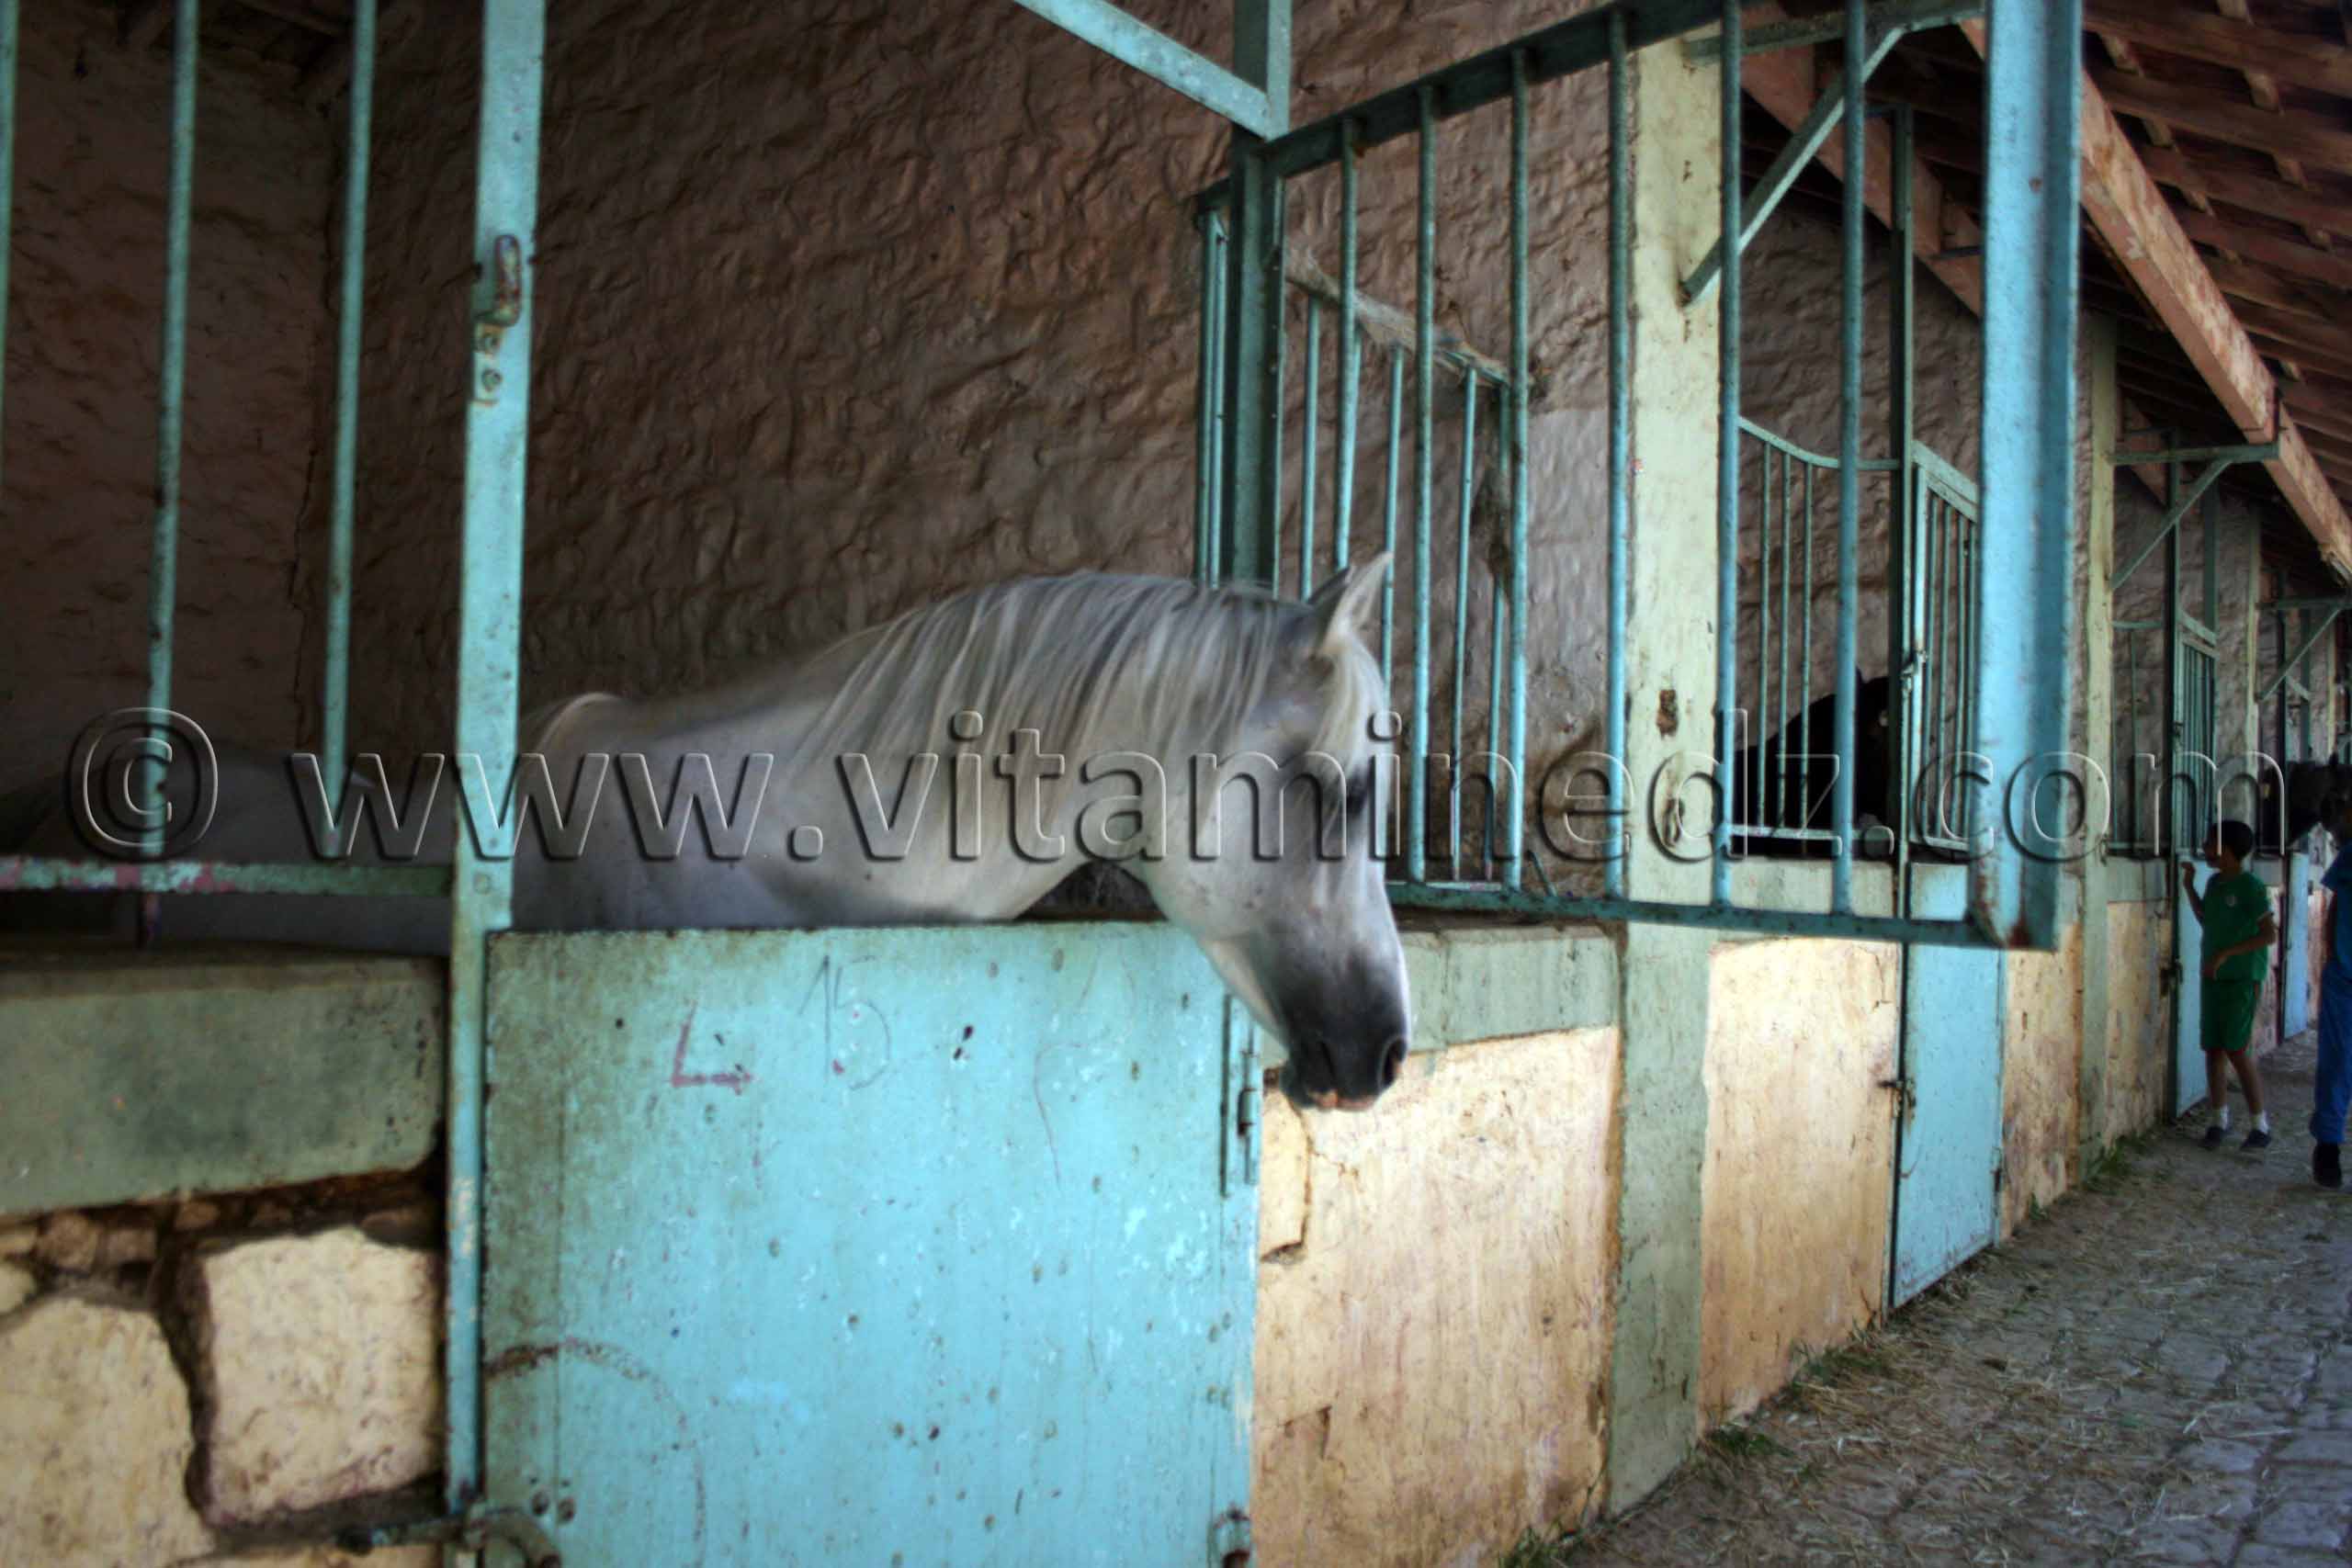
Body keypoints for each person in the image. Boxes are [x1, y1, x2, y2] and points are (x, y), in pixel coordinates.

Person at [2181, 819, 2276, 1151]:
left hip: (2240, 978)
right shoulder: (2215, 883)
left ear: (2230, 850)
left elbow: (2269, 934)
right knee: (2213, 1048)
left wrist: (2226, 954)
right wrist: (2190, 887)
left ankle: (2259, 1124)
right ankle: (2218, 1119)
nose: (2206, 848)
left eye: (2211, 842)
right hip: (2214, 978)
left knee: (2237, 1049)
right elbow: (2207, 918)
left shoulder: (2250, 887)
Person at [2315, 795, 2352, 1190]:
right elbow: (2335, 910)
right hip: (2346, 975)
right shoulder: (2350, 859)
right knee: (2338, 1063)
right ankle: (2328, 1146)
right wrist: (2332, 960)